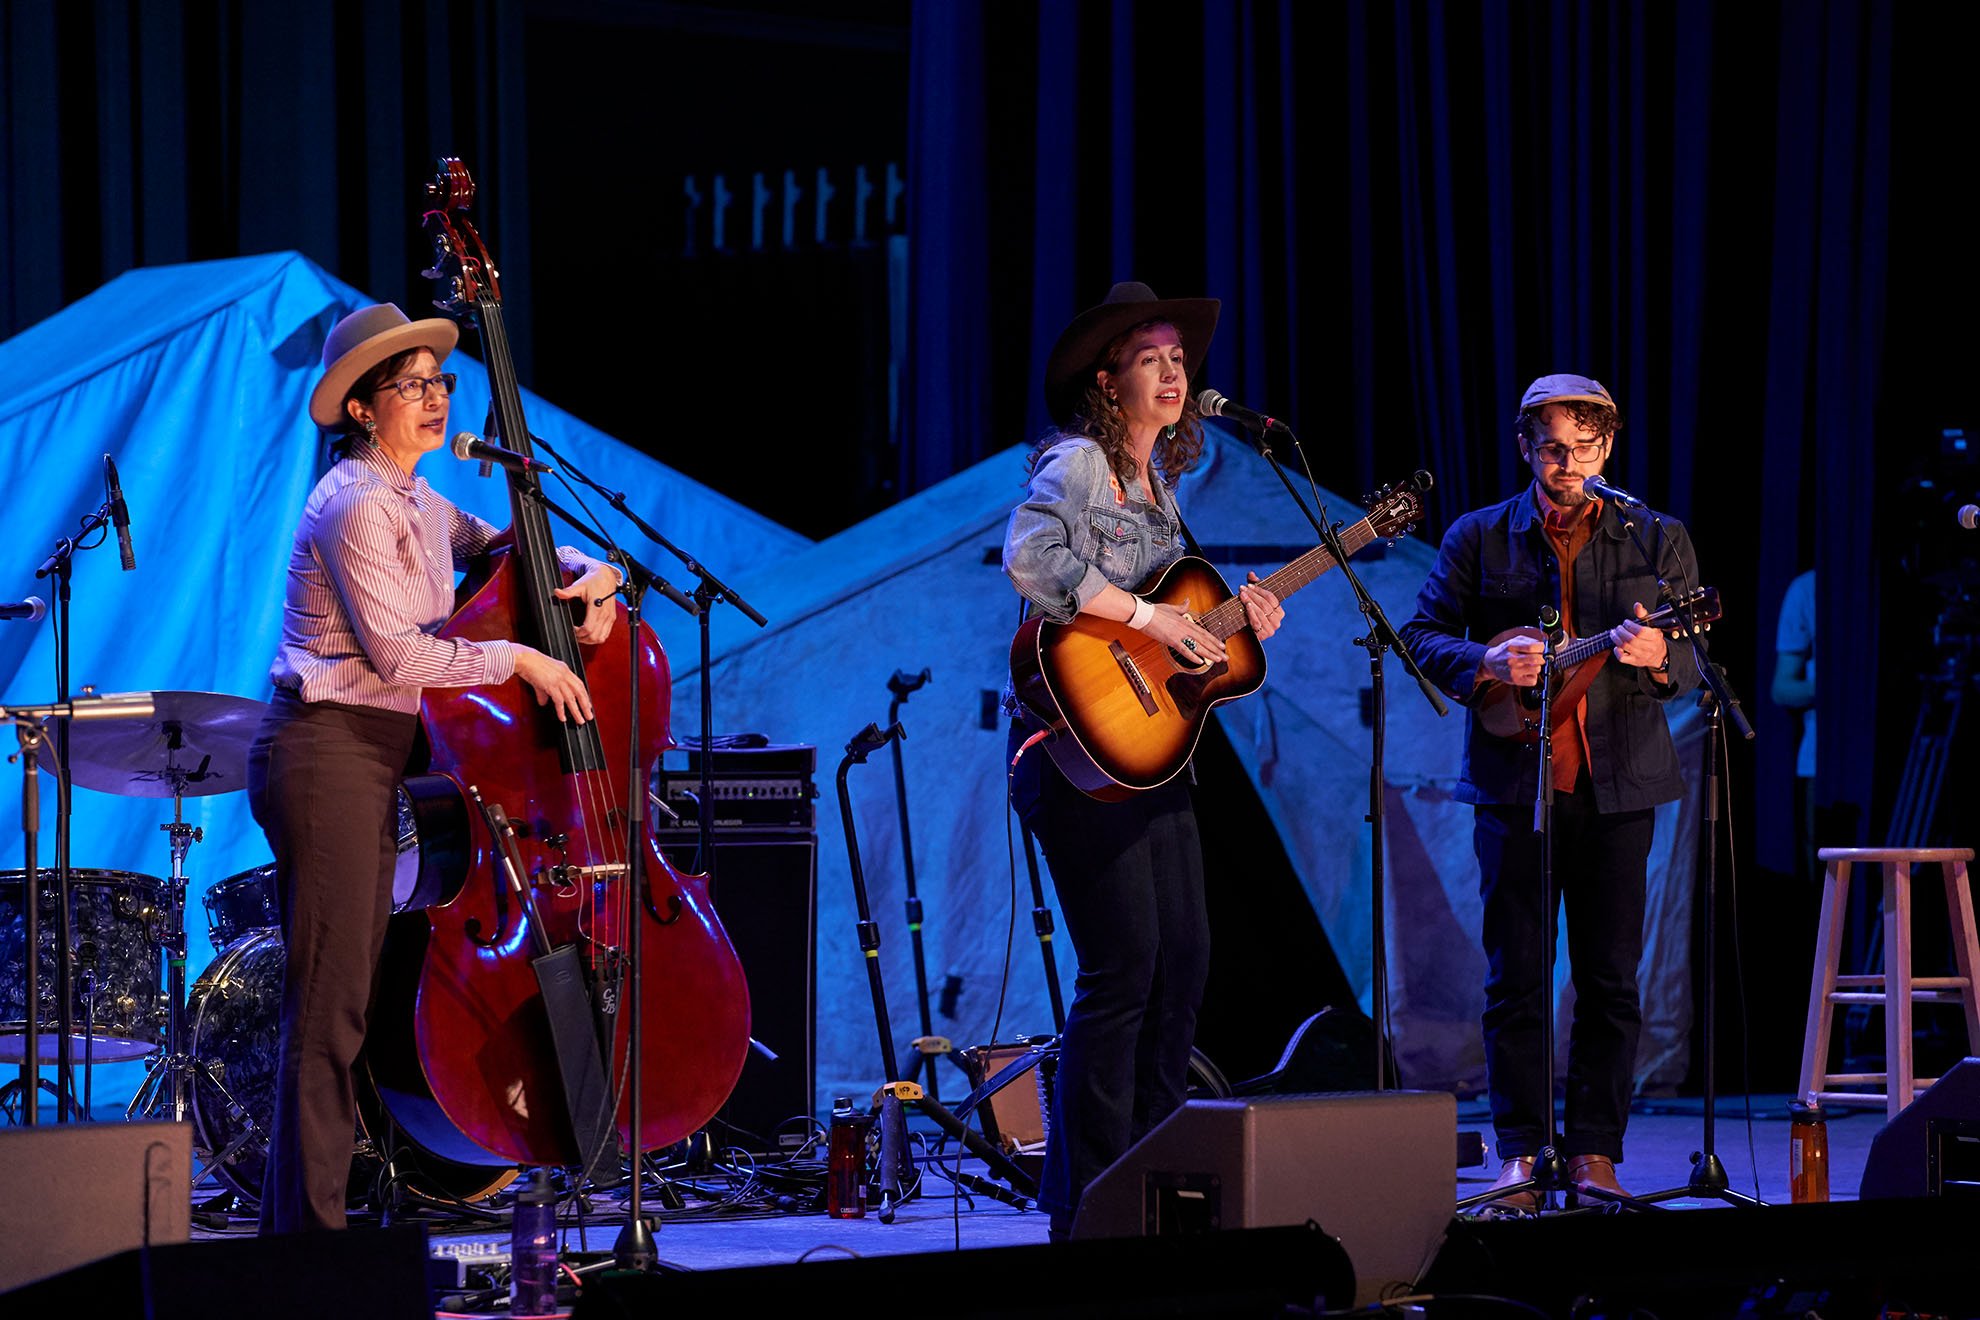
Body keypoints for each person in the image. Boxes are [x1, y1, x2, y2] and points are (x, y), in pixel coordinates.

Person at [250, 303, 622, 1232]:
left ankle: (309, 1235)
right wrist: (523, 659)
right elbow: (402, 657)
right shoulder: (356, 501)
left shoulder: (417, 497)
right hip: (327, 745)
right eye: (410, 384)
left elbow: (499, 548)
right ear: (364, 410)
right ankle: (307, 1249)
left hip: (379, 754)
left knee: (351, 1004)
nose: (433, 397)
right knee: (331, 1006)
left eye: (439, 381)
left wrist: (589, 567)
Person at [1002, 281, 1286, 1239]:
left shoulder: (1162, 488)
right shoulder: (1080, 462)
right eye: (1152, 356)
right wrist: (1149, 616)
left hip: (1151, 756)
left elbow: (1177, 633)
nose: (1175, 371)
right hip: (1075, 754)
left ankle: (1161, 1180)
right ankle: (1091, 1206)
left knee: (1185, 963)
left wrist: (1237, 628)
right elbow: (1034, 564)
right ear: (1105, 376)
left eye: (1180, 357)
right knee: (1123, 968)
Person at [1398, 374, 1701, 1209]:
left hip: (1617, 785)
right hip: (1513, 784)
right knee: (1516, 979)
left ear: (1608, 448)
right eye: (1554, 446)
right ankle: (1524, 1154)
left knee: (1609, 978)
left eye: (1587, 447)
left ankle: (1598, 1152)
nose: (1570, 463)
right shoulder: (1479, 535)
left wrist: (1661, 661)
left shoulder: (1654, 536)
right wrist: (1483, 662)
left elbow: (1688, 666)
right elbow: (1420, 634)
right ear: (1525, 446)